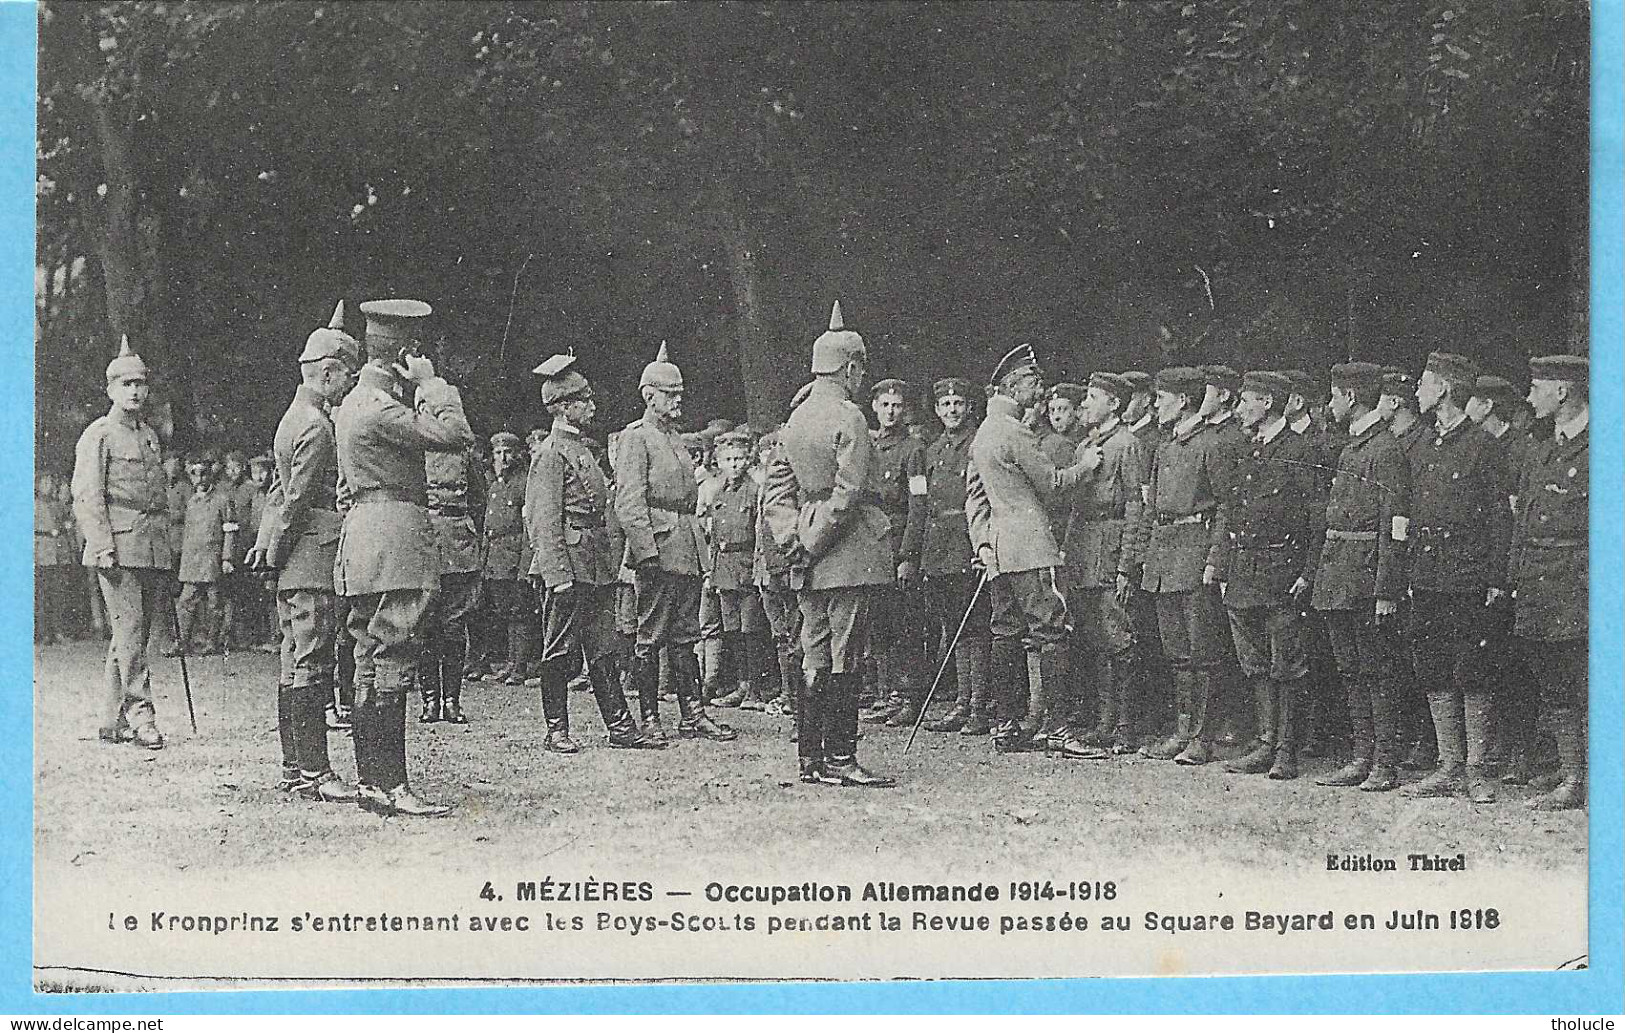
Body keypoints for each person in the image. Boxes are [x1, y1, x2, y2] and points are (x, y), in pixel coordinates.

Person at [333, 298, 474, 817]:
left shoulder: (353, 402)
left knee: (369, 656)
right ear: (406, 353)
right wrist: (433, 386)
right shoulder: (383, 407)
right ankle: (391, 785)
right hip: (396, 537)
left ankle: (374, 782)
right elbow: (455, 436)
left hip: (365, 537)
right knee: (392, 655)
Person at [762, 301, 895, 786]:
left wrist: (793, 538)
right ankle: (841, 757)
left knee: (811, 649)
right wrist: (815, 541)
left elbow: (774, 491)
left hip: (806, 550)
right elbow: (849, 490)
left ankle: (810, 758)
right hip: (848, 551)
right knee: (847, 652)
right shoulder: (850, 416)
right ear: (851, 368)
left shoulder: (795, 419)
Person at [965, 343, 1106, 758]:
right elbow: (1054, 484)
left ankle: (1008, 726)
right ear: (1014, 384)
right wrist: (1087, 464)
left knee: (1005, 632)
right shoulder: (1014, 430)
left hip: (999, 549)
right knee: (1051, 631)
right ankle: (1059, 730)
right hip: (1032, 547)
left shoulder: (984, 432)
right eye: (1033, 381)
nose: (1039, 389)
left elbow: (975, 496)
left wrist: (983, 543)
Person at [245, 302, 361, 802]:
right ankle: (314, 770)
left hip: (295, 555)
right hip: (311, 556)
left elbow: (276, 495)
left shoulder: (292, 418)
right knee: (314, 660)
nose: (351, 388)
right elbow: (294, 500)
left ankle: (295, 767)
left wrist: (268, 545)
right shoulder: (316, 426)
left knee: (294, 660)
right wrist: (276, 551)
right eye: (347, 379)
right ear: (328, 373)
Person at [527, 355, 663, 752]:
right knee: (559, 650)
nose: (593, 406)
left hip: (595, 566)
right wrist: (557, 576)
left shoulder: (581, 449)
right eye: (585, 400)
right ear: (565, 406)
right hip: (569, 567)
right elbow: (543, 520)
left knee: (603, 649)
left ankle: (620, 727)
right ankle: (557, 730)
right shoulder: (551, 453)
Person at [615, 342, 736, 743]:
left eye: (681, 393)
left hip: (685, 544)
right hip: (658, 549)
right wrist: (645, 551)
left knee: (687, 634)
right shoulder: (638, 437)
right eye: (671, 394)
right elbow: (629, 501)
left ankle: (693, 714)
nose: (678, 400)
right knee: (650, 634)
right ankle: (649, 717)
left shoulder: (677, 438)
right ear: (649, 395)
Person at [1402, 351, 1510, 803]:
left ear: (1444, 388)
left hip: (1467, 576)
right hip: (1427, 573)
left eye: (1424, 383)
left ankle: (1477, 770)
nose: (1418, 392)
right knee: (1433, 668)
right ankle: (1447, 765)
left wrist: (1494, 576)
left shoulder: (1483, 446)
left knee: (1473, 669)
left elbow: (1500, 518)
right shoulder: (1421, 443)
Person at [1213, 371, 1322, 780]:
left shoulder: (1298, 449)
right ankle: (1264, 743)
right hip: (1244, 571)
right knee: (1255, 664)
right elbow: (1231, 512)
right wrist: (1223, 566)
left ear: (1268, 404)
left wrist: (1307, 572)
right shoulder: (1248, 449)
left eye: (1247, 401)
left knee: (1287, 664)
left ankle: (1286, 751)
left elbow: (1315, 516)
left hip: (1282, 570)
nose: (1241, 409)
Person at [1309, 361, 1410, 793]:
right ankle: (1360, 757)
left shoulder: (1384, 449)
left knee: (1376, 671)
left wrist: (1386, 589)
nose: (1330, 404)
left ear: (1350, 398)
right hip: (1339, 572)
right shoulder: (1354, 446)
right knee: (1351, 671)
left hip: (1365, 577)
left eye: (1333, 396)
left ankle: (1383, 763)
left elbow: (1396, 524)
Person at [71, 336, 175, 750]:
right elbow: (88, 494)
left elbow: (157, 498)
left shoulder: (149, 434)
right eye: (125, 384)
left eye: (140, 384)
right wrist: (102, 545)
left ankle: (112, 718)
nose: (134, 391)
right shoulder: (98, 434)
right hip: (118, 545)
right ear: (110, 389)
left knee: (132, 633)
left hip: (150, 545)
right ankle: (140, 713)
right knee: (130, 631)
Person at [1139, 366, 1232, 764]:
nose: (1156, 405)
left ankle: (1202, 737)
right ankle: (1182, 731)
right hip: (1164, 553)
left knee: (1202, 651)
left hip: (1195, 553)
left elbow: (1228, 506)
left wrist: (1215, 559)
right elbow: (1151, 505)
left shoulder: (1210, 444)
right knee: (1176, 651)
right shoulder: (1165, 446)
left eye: (1162, 398)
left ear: (1184, 401)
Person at [1510, 354, 1588, 810]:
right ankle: (1570, 771)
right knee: (1554, 680)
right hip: (1542, 585)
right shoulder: (1541, 448)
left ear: (1561, 392)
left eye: (1536, 388)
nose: (1528, 397)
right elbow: (1523, 522)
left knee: (1583, 681)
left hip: (1578, 585)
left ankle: (1584, 777)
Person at [1060, 372, 1149, 754]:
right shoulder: (1086, 447)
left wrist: (1127, 564)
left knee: (1120, 640)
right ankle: (1104, 722)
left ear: (1113, 404)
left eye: (1092, 398)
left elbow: (1136, 507)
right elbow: (1076, 511)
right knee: (1096, 640)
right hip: (1084, 551)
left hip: (1111, 551)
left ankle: (1126, 728)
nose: (1085, 405)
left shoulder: (1127, 445)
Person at [919, 377, 993, 735]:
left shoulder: (979, 444)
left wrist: (982, 543)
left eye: (958, 404)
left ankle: (978, 704)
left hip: (968, 542)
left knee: (975, 627)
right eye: (945, 405)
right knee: (954, 625)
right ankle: (962, 703)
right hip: (939, 548)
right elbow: (922, 503)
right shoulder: (931, 451)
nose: (952, 411)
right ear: (936, 410)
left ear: (969, 407)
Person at [860, 378, 929, 727]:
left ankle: (910, 698)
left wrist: (908, 556)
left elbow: (919, 506)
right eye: (884, 405)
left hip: (899, 542)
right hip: (874, 545)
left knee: (906, 627)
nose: (890, 411)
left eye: (897, 405)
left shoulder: (913, 450)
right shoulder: (869, 447)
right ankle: (887, 695)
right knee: (880, 626)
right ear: (874, 407)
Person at [419, 399, 485, 726]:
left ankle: (451, 700)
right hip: (426, 541)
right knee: (426, 626)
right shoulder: (415, 452)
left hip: (459, 541)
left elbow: (479, 499)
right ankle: (430, 699)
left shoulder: (465, 455)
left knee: (455, 627)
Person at [703, 430, 772, 710]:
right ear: (718, 462)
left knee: (751, 629)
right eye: (728, 459)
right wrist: (710, 572)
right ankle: (740, 684)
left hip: (746, 566)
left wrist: (758, 570)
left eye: (740, 458)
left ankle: (755, 689)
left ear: (748, 460)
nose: (734, 464)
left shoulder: (755, 492)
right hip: (724, 568)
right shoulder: (718, 494)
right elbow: (712, 536)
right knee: (731, 630)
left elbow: (760, 535)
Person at [480, 431, 535, 685]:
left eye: (507, 453)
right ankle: (512, 663)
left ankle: (519, 667)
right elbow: (487, 527)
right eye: (498, 453)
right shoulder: (495, 485)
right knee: (504, 613)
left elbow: (528, 529)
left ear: (517, 454)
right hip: (496, 559)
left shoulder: (524, 483)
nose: (503, 458)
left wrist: (525, 567)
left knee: (519, 614)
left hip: (513, 559)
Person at [175, 450, 239, 655]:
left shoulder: (222, 500)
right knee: (186, 602)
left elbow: (229, 531)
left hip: (212, 559)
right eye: (195, 474)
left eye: (204, 474)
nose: (200, 479)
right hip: (192, 561)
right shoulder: (191, 502)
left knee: (214, 602)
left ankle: (213, 641)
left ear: (210, 475)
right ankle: (183, 641)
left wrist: (227, 558)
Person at [36, 472, 77, 644]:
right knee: (42, 595)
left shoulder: (57, 505)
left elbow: (67, 523)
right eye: (45, 483)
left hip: (58, 554)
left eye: (50, 483)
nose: (49, 486)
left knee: (59, 594)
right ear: (37, 486)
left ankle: (60, 631)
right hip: (41, 554)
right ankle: (45, 633)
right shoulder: (33, 505)